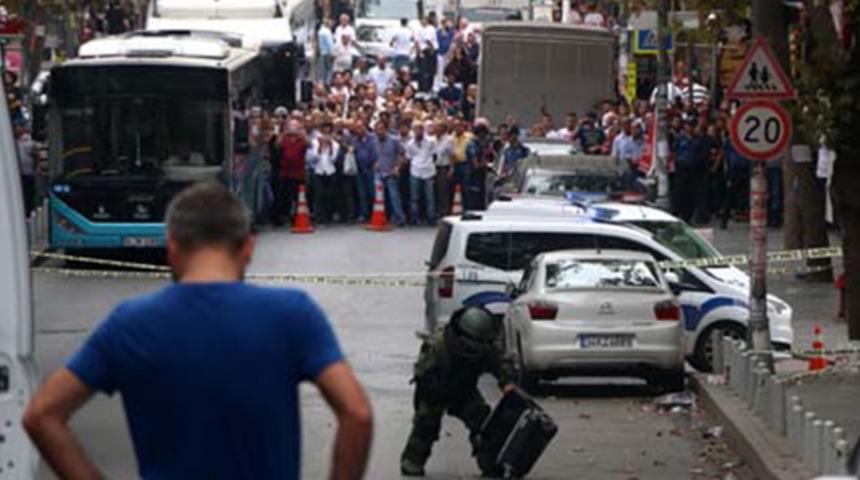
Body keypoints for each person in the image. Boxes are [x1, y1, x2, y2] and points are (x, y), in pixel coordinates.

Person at [22, 183, 373, 479]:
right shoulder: (292, 314)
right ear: (247, 247)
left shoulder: (129, 324)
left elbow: (42, 415)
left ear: (172, 247)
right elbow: (356, 412)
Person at [399, 307, 514, 477]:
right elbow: (422, 380)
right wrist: (425, 406)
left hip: (465, 390)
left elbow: (500, 364)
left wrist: (507, 383)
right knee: (426, 425)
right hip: (435, 390)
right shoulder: (438, 346)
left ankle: (490, 462)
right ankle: (412, 460)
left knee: (483, 422)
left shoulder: (485, 346)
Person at [672, 119, 709, 224]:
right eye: (687, 125)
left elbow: (703, 154)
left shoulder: (699, 140)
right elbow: (675, 151)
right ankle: (683, 216)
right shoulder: (680, 139)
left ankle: (690, 216)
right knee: (682, 193)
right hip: (682, 169)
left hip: (695, 171)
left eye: (691, 126)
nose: (689, 128)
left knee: (692, 194)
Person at [273, 119, 309, 226]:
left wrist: (302, 133)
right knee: (284, 196)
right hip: (286, 172)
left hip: (298, 173)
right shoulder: (285, 138)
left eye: (295, 126)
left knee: (297, 196)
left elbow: (308, 144)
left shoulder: (301, 139)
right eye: (291, 126)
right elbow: (277, 145)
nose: (293, 128)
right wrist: (284, 132)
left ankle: (296, 216)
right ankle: (283, 216)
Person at [308, 121, 341, 225]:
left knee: (329, 195)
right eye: (324, 130)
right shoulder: (314, 142)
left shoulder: (335, 145)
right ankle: (319, 217)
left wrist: (330, 146)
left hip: (330, 171)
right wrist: (319, 147)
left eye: (329, 130)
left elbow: (333, 159)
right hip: (318, 170)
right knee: (318, 195)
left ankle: (328, 216)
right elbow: (313, 158)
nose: (326, 133)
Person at [374, 121, 407, 226]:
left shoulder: (394, 140)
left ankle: (400, 218)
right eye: (377, 129)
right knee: (380, 197)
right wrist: (375, 163)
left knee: (394, 196)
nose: (379, 132)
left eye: (381, 129)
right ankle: (384, 217)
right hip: (379, 172)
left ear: (385, 129)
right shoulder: (374, 141)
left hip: (391, 172)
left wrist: (397, 168)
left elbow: (402, 154)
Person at [405, 122, 437, 225]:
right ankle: (414, 218)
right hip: (415, 170)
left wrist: (430, 163)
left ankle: (431, 218)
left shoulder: (431, 141)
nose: (418, 132)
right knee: (414, 197)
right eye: (416, 130)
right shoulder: (410, 144)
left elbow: (435, 154)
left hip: (428, 170)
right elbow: (409, 157)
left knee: (429, 197)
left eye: (420, 129)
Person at [415, 15, 439, 93]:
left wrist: (432, 50)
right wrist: (419, 52)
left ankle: (430, 87)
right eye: (422, 20)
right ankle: (422, 88)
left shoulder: (431, 28)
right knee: (422, 71)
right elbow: (418, 41)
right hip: (424, 51)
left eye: (425, 20)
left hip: (431, 50)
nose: (423, 21)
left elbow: (429, 40)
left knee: (431, 71)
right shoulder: (418, 29)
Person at [317, 18, 335, 84]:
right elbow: (330, 43)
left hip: (322, 53)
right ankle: (327, 85)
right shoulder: (327, 31)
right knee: (329, 70)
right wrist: (332, 53)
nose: (332, 24)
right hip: (328, 53)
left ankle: (323, 84)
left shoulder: (320, 31)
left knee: (323, 71)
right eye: (331, 22)